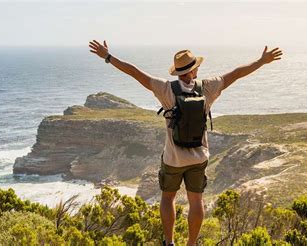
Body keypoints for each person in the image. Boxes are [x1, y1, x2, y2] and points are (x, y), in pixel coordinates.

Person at [88, 40, 282, 246]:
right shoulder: (208, 87)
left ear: (178, 71)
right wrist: (262, 61)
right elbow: (236, 73)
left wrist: (108, 57)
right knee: (196, 201)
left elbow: (135, 73)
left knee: (167, 198)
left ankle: (170, 242)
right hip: (198, 157)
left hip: (173, 158)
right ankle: (191, 243)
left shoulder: (165, 89)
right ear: (194, 69)